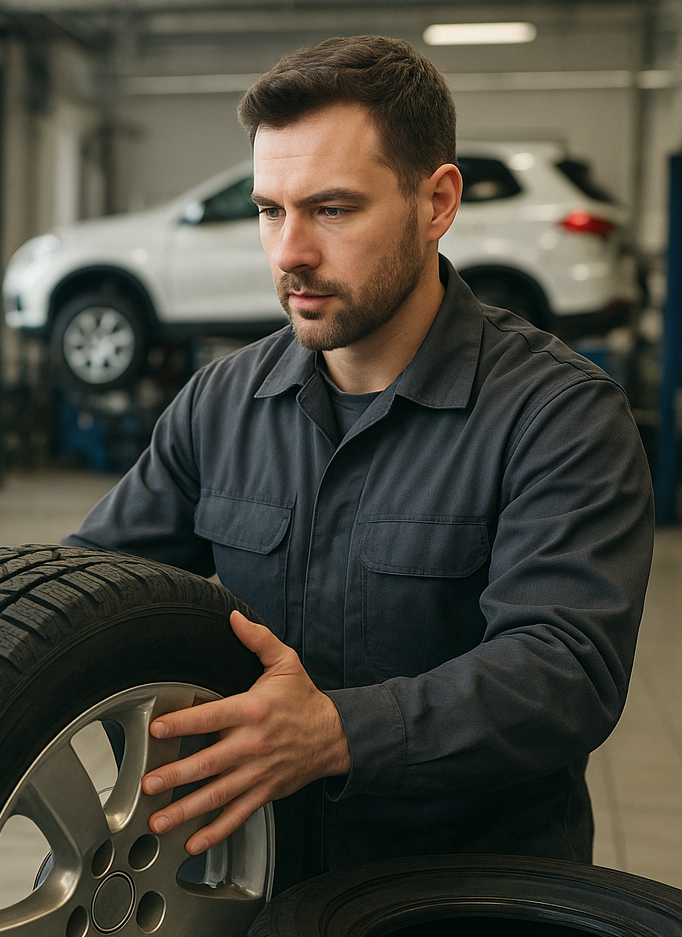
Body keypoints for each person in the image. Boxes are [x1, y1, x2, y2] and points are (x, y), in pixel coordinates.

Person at [66, 36, 655, 887]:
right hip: (243, 891)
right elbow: (90, 590)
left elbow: (565, 669)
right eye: (272, 209)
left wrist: (336, 733)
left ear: (437, 201)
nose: (288, 252)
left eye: (332, 210)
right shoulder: (219, 403)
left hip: (457, 910)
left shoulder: (560, 415)